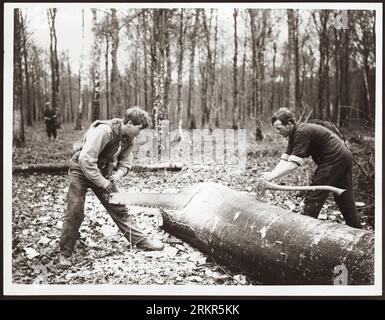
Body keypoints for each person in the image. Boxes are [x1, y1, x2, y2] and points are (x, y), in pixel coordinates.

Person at [59, 106, 164, 268]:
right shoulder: (104, 131)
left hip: (102, 172)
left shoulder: (128, 138)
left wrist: (118, 174)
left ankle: (141, 242)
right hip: (80, 170)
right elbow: (86, 160)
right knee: (75, 210)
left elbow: (126, 162)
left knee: (119, 207)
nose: (140, 133)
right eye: (139, 129)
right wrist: (102, 182)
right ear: (129, 123)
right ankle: (65, 253)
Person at [258, 107, 361, 229]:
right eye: (276, 129)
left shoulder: (302, 132)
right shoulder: (294, 134)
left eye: (279, 128)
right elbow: (285, 159)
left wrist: (271, 177)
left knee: (315, 194)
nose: (277, 132)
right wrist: (271, 174)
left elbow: (293, 164)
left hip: (335, 157)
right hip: (343, 156)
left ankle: (303, 230)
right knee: (344, 197)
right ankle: (357, 229)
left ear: (290, 124)